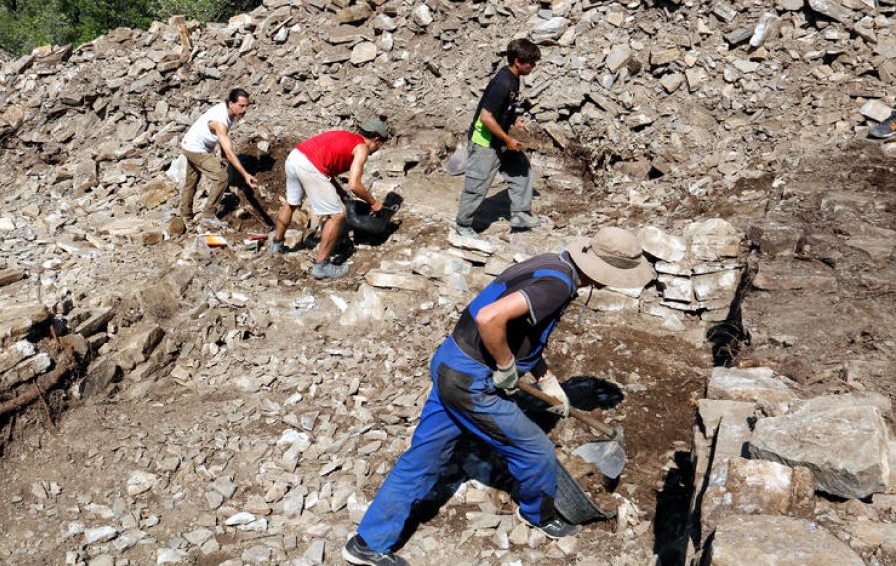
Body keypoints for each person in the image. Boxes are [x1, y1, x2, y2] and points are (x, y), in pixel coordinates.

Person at [342, 227, 656, 566]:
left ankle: (366, 543)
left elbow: (522, 333)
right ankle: (537, 514)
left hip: (450, 362)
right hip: (471, 381)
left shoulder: (552, 263)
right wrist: (506, 365)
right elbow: (489, 317)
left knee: (424, 457)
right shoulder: (557, 286)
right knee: (536, 451)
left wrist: (546, 378)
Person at [270, 119, 390, 279]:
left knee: (291, 203)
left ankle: (276, 245)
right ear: (376, 139)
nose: (378, 148)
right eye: (380, 145)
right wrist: (374, 203)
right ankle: (321, 266)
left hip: (295, 157)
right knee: (337, 216)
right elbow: (354, 185)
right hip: (309, 166)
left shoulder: (347, 137)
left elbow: (327, 170)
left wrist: (342, 194)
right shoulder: (361, 149)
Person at [456, 39, 542, 237]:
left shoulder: (514, 78)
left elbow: (503, 107)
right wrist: (508, 140)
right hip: (484, 142)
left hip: (499, 139)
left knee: (520, 169)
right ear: (518, 61)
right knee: (477, 185)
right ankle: (463, 225)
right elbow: (486, 117)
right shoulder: (502, 83)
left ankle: (520, 215)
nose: (533, 66)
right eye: (531, 62)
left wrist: (514, 120)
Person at [178, 88, 257, 228]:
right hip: (195, 148)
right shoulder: (220, 121)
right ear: (231, 103)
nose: (245, 110)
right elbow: (229, 151)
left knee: (192, 180)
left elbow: (222, 141)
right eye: (242, 106)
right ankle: (208, 216)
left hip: (189, 143)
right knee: (221, 177)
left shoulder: (228, 111)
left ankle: (185, 215)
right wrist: (245, 175)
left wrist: (224, 159)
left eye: (247, 106)